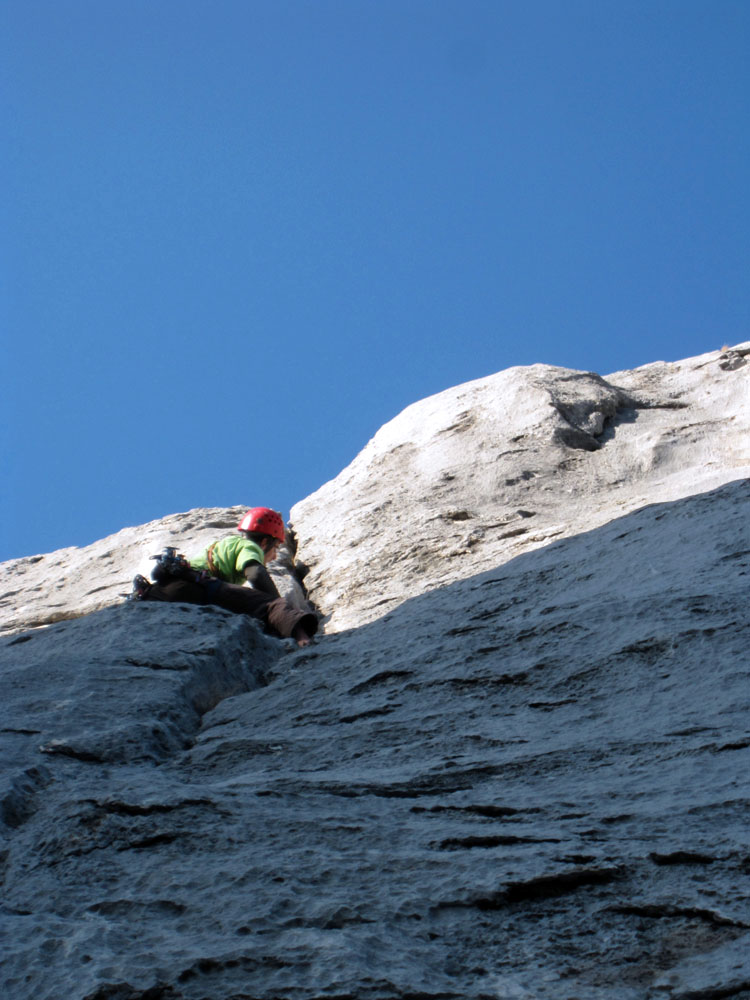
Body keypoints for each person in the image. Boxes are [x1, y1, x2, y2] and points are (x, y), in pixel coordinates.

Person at [134, 507, 317, 647]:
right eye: (276, 548)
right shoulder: (250, 547)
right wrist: (274, 601)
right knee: (272, 605)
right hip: (196, 588)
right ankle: (302, 639)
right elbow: (255, 572)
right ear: (264, 542)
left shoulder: (226, 544)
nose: (275, 556)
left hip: (164, 591)